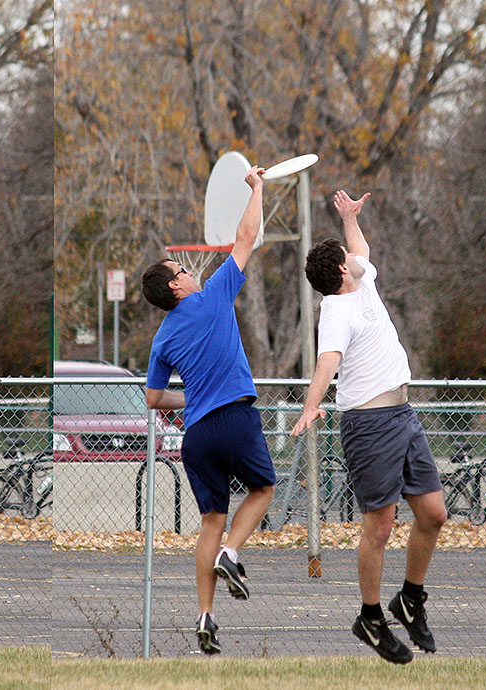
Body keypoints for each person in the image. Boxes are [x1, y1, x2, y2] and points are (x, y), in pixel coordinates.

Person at [291, 190, 447, 664]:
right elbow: (327, 363)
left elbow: (362, 251)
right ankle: (371, 616)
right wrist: (309, 406)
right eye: (345, 256)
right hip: (369, 424)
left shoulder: (362, 279)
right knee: (380, 526)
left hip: (402, 414)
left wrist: (349, 219)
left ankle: (410, 598)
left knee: (434, 514)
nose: (353, 256)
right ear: (341, 271)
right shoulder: (336, 313)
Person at [142, 166, 276, 655]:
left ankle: (205, 617)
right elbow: (246, 236)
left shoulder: (163, 338)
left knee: (210, 520)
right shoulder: (216, 294)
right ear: (176, 288)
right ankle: (231, 554)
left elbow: (154, 400)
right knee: (263, 488)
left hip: (197, 436)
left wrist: (192, 399)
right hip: (236, 420)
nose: (188, 269)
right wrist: (257, 189)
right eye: (180, 270)